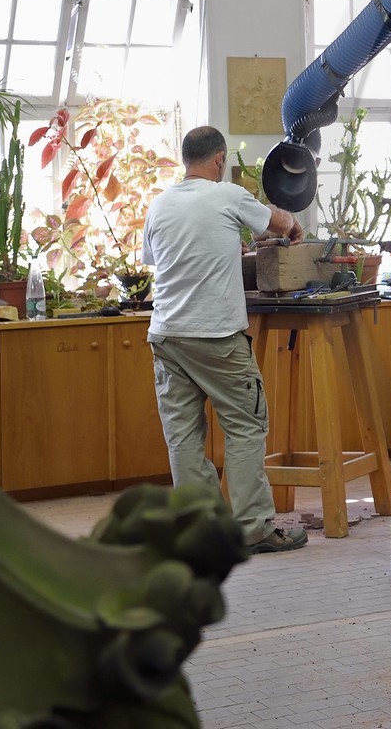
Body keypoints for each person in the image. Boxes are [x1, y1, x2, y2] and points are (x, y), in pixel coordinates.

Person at [142, 126, 308, 555]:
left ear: (185, 160)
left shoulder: (159, 205)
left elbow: (166, 259)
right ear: (218, 159)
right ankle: (253, 528)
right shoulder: (227, 195)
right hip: (215, 336)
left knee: (182, 437)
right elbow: (279, 222)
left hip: (166, 336)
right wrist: (291, 226)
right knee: (246, 425)